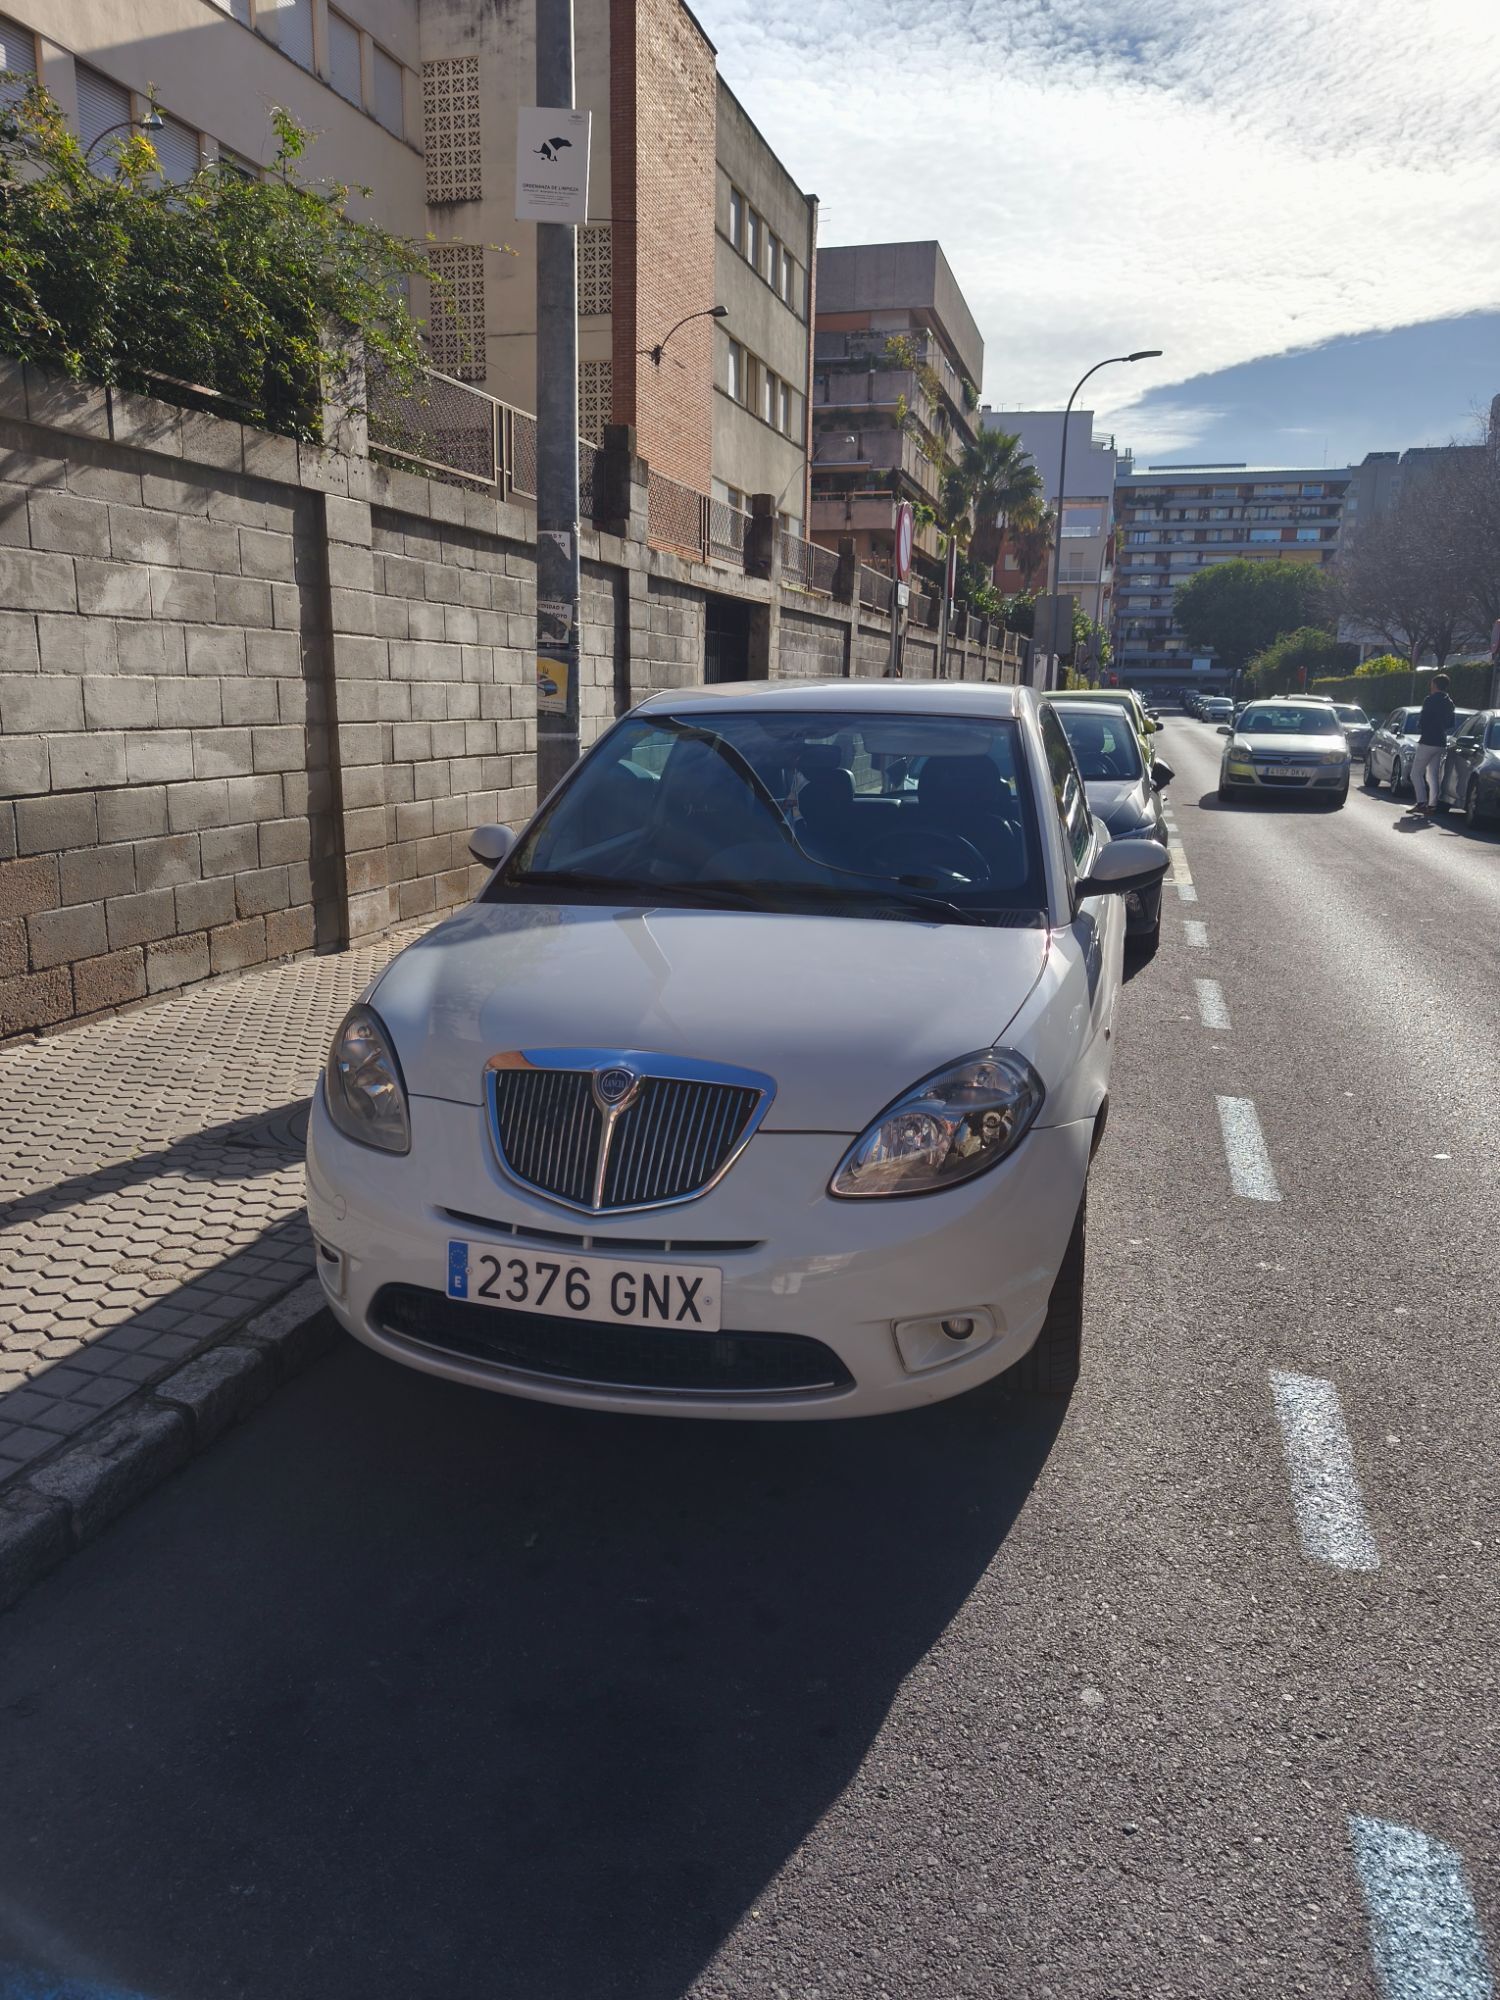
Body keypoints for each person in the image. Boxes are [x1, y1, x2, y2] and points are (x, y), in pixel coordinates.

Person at [1409, 672, 1455, 816]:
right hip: (1441, 742)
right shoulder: (1449, 702)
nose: (1430, 686)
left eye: (1431, 684)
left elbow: (1423, 719)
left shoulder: (1430, 700)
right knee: (1433, 774)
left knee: (1415, 773)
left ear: (1435, 685)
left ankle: (1421, 803)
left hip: (1428, 740)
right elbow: (1450, 723)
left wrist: (1421, 726)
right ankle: (1432, 805)